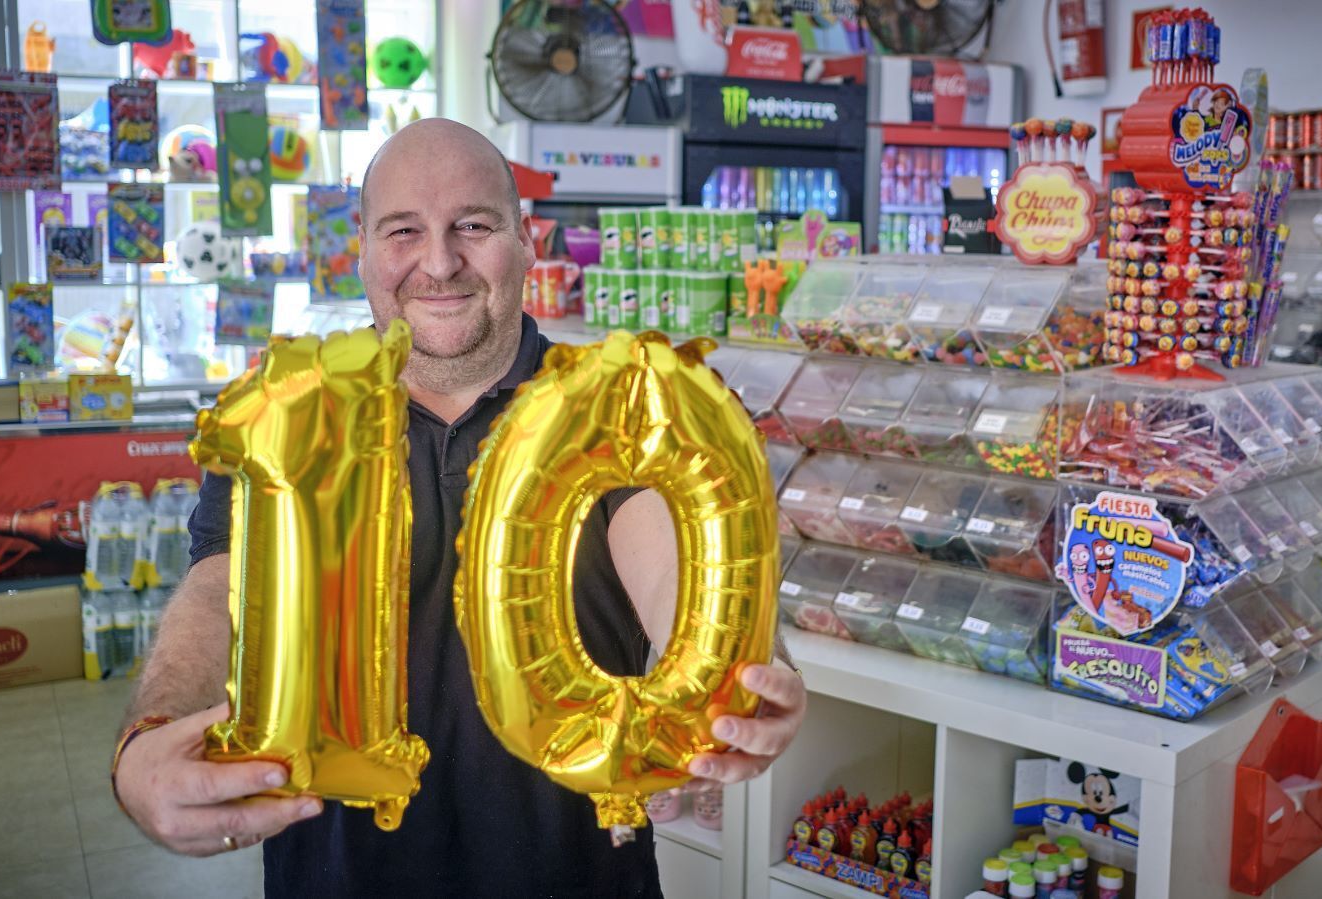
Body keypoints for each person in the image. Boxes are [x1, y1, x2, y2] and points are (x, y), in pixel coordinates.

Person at [112, 118, 808, 897]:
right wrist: (148, 739)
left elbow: (679, 573)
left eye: (473, 225)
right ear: (366, 250)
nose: (439, 263)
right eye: (404, 230)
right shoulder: (292, 421)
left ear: (526, 239)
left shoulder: (615, 409)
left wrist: (742, 671)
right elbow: (218, 592)